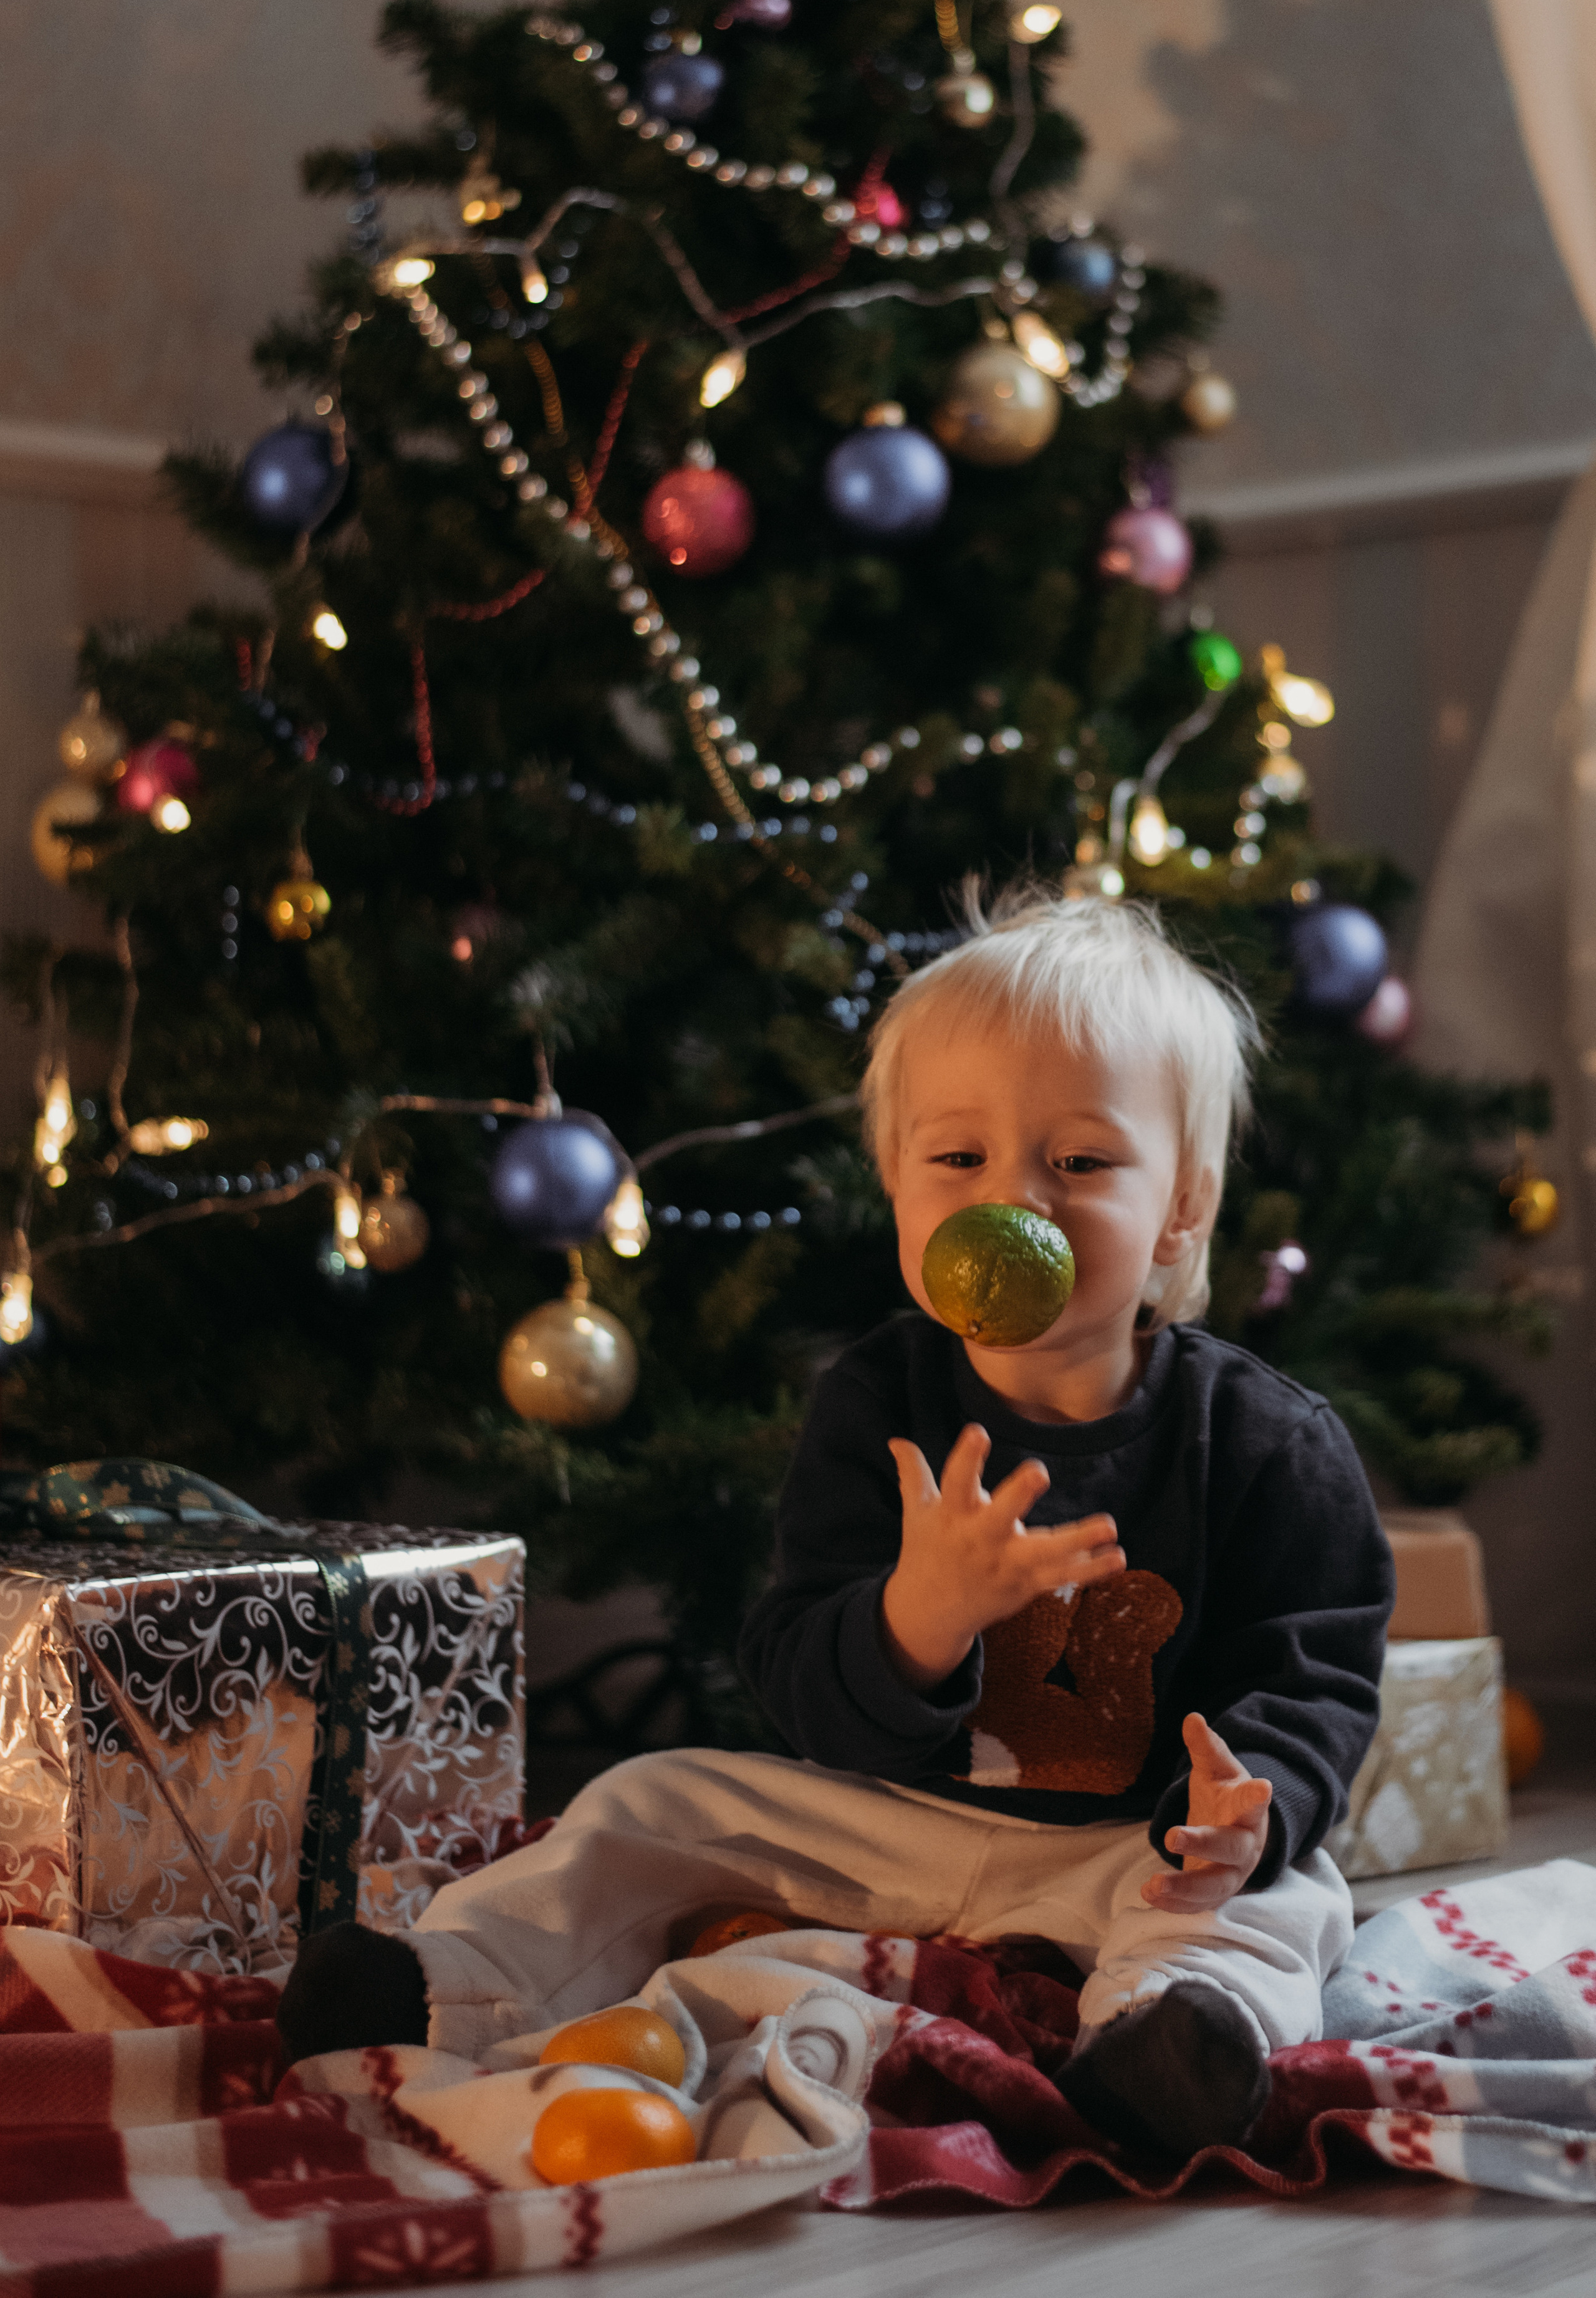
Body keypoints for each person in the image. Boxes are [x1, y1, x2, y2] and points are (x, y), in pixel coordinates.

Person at [279, 886, 1393, 2161]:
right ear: (900, 1192)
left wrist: (1245, 1808)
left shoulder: (1263, 1443)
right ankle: (448, 1980)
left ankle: (1162, 2048)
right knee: (649, 1800)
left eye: (1079, 1162)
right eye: (958, 1160)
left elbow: (1315, 1672)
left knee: (1289, 1901)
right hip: (886, 1823)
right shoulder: (876, 1402)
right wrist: (914, 1622)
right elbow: (797, 1692)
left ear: (1179, 1210)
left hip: (1122, 1848)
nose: (1011, 1201)